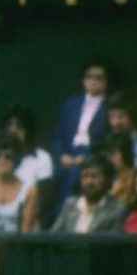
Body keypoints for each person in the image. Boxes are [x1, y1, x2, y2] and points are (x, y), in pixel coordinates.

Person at [52, 60, 110, 205]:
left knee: (76, 176)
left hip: (92, 154)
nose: (94, 81)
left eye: (99, 78)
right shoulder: (71, 104)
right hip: (68, 153)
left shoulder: (110, 106)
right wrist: (61, 155)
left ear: (106, 82)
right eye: (89, 77)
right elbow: (58, 136)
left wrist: (86, 157)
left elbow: (108, 140)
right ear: (84, 80)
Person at [49, 155, 126, 234]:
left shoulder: (117, 210)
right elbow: (54, 237)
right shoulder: (70, 205)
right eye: (85, 176)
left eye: (94, 176)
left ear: (107, 180)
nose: (89, 181)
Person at [0, 134, 36, 234]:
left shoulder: (28, 191)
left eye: (8, 156)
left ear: (17, 159)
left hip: (16, 245)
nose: (2, 160)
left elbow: (26, 231)